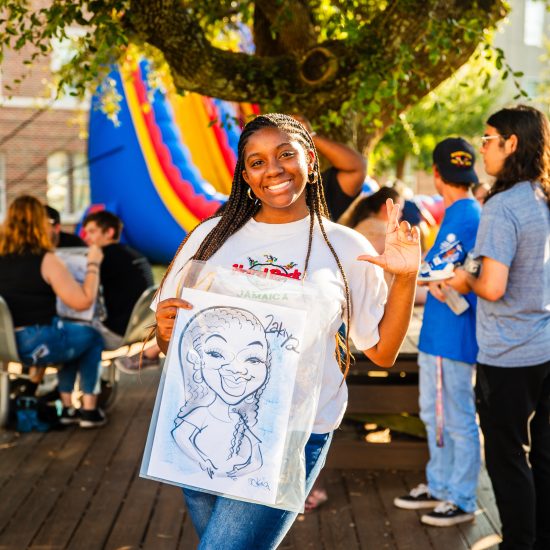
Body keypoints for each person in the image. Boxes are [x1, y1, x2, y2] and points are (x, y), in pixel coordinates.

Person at [152, 113, 420, 548]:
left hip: (294, 434)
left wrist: (406, 278)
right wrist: (167, 330)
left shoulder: (346, 247)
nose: (272, 170)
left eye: (284, 155)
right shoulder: (211, 238)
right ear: (245, 175)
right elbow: (174, 343)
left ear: (310, 161)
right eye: (256, 162)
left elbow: (383, 352)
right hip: (201, 423)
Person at [448, 105, 550, 550]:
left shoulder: (503, 205)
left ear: (512, 144)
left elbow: (491, 286)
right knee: (544, 455)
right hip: (546, 345)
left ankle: (518, 543)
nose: (483, 147)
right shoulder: (543, 196)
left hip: (509, 352)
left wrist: (461, 279)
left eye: (488, 138)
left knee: (508, 456)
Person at [393, 138, 481, 526]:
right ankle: (442, 485)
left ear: (435, 173)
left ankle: (460, 497)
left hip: (453, 336)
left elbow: (430, 270)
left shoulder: (464, 213)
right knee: (436, 413)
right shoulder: (463, 211)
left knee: (455, 416)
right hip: (443, 333)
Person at [0, 195, 107, 428]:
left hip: (5, 345)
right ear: (40, 225)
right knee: (91, 337)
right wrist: (93, 264)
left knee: (70, 335)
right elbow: (83, 302)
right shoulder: (46, 260)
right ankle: (88, 410)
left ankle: (67, 407)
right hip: (35, 345)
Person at [82, 210, 154, 349]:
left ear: (109, 232)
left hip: (117, 332)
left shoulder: (104, 257)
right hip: (142, 330)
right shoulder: (133, 253)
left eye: (92, 232)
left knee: (67, 333)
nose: (86, 238)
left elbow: (83, 294)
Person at [292, 115, 366, 220]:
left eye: (287, 154)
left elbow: (357, 167)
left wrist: (308, 135)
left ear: (310, 158)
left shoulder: (320, 188)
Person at [342, 186, 403, 254]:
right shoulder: (383, 231)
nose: (401, 214)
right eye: (399, 209)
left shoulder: (365, 221)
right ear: (385, 208)